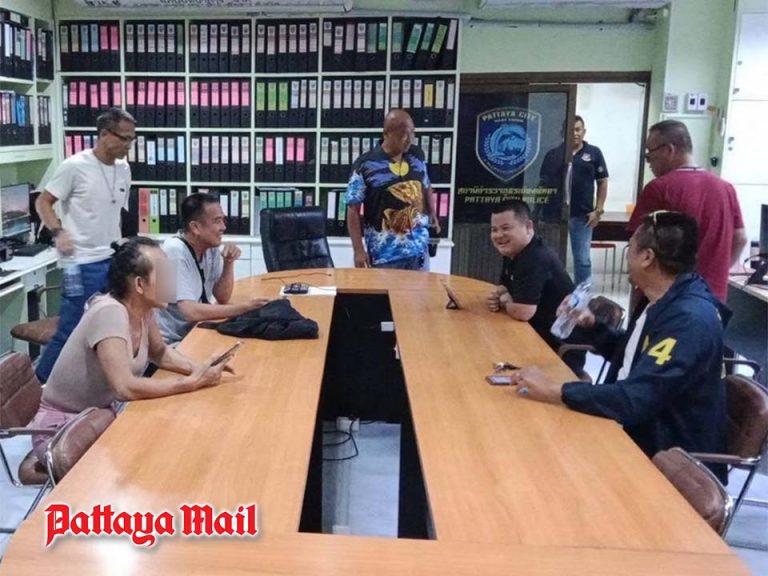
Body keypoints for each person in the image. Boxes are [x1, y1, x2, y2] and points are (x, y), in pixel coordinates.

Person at [509, 211, 729, 481]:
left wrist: (554, 390)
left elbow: (635, 399)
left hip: (665, 460)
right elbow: (633, 359)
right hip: (639, 431)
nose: (627, 258)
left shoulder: (688, 321)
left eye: (630, 249)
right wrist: (592, 326)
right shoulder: (664, 300)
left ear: (647, 257)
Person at [28, 237, 231, 462]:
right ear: (139, 285)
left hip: (99, 415)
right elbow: (123, 387)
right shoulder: (110, 312)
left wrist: (200, 368)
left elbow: (160, 353)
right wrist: (190, 383)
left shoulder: (144, 309)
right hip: (63, 432)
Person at [34, 107, 137, 383]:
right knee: (72, 328)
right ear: (104, 135)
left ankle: (96, 382)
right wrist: (58, 232)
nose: (128, 145)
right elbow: (43, 201)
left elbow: (116, 209)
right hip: (80, 261)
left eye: (132, 139)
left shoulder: (123, 169)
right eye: (124, 138)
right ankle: (40, 385)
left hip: (111, 258)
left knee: (109, 325)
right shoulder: (75, 166)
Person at [628, 120, 746, 302]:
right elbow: (740, 238)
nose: (649, 163)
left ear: (669, 150)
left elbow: (639, 245)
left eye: (649, 155)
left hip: (667, 299)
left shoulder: (659, 189)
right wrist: (718, 272)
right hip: (712, 297)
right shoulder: (726, 189)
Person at [154, 193, 269, 345]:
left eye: (223, 220)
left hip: (197, 331)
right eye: (217, 221)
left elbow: (222, 297)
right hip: (173, 342)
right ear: (195, 227)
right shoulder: (170, 251)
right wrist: (244, 308)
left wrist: (228, 263)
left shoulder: (210, 246)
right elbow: (189, 312)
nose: (223, 227)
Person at [486, 200, 585, 374]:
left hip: (557, 350)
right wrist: (500, 297)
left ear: (528, 227)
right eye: (494, 230)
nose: (499, 235)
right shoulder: (514, 251)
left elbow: (524, 312)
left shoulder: (535, 258)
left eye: (506, 228)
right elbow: (503, 287)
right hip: (532, 335)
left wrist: (505, 301)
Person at [346, 109, 437, 270]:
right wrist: (358, 250)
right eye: (403, 134)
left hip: (419, 251)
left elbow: (426, 183)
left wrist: (432, 212)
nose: (409, 139)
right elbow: (353, 209)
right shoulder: (365, 164)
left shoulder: (417, 155)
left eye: (412, 133)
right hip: (386, 255)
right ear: (386, 134)